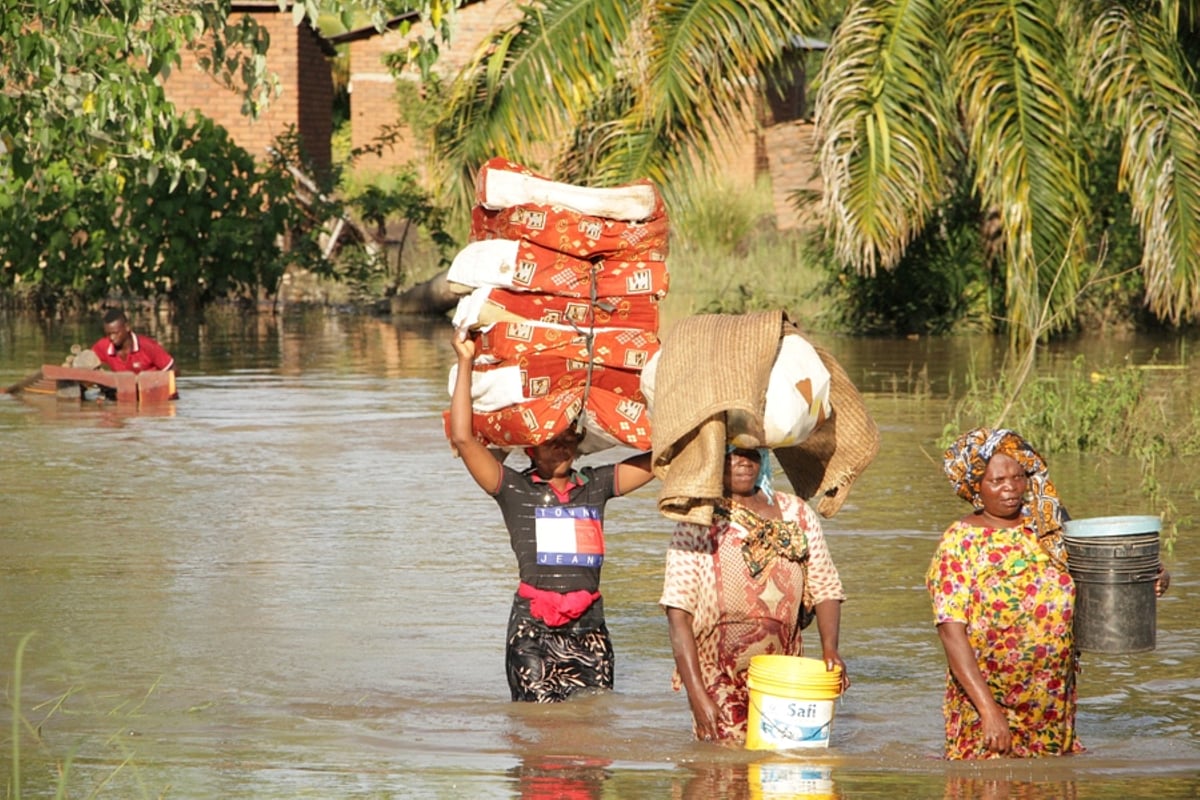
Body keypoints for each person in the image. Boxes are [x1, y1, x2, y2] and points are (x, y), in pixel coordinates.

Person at [928, 427, 1171, 760]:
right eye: (997, 481)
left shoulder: (1048, 529)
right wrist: (988, 710)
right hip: (987, 701)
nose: (1010, 488)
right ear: (975, 488)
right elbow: (950, 631)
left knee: (1053, 781)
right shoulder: (959, 542)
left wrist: (1151, 579)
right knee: (985, 781)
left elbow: (1102, 579)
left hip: (1050, 700)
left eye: (1018, 477)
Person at [449, 327, 655, 703]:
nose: (561, 448)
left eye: (568, 440)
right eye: (551, 441)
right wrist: (465, 361)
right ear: (530, 449)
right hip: (533, 630)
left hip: (590, 629)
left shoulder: (596, 485)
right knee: (537, 725)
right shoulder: (514, 490)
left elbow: (660, 459)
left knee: (594, 722)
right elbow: (464, 438)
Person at [659, 446, 849, 744]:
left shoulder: (796, 514)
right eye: (731, 454)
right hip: (716, 674)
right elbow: (678, 613)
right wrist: (697, 695)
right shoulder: (698, 521)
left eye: (751, 453)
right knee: (723, 764)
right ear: (714, 459)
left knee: (783, 758)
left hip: (783, 669)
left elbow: (825, 585)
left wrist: (830, 650)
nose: (743, 463)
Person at [91, 308, 176, 375]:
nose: (112, 337)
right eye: (108, 334)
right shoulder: (103, 346)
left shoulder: (147, 346)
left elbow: (173, 370)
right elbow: (87, 363)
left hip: (151, 388)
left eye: (116, 333)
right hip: (123, 388)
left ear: (127, 327)